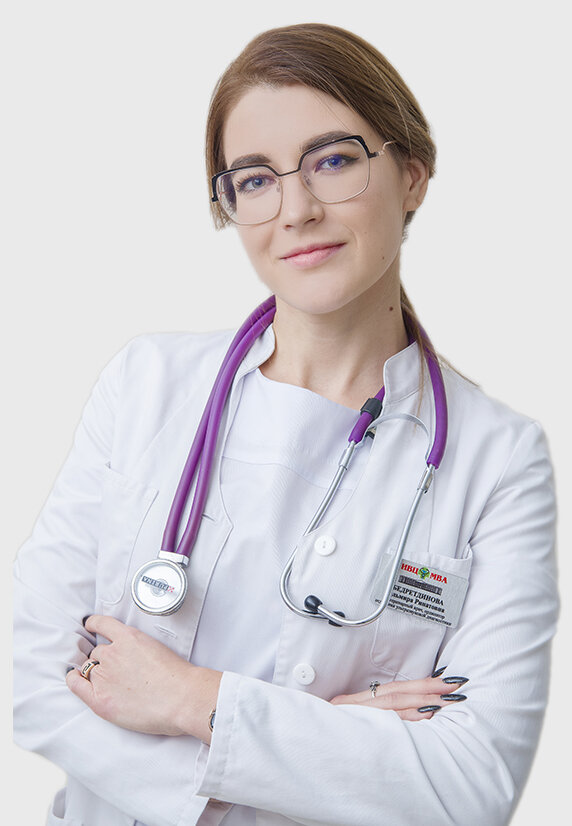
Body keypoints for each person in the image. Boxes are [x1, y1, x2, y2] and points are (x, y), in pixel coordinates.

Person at [13, 22, 558, 826]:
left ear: (411, 175)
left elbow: (468, 787)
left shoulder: (499, 459)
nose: (295, 210)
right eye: (256, 178)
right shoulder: (146, 385)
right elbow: (30, 679)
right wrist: (324, 745)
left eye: (333, 161)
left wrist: (190, 698)